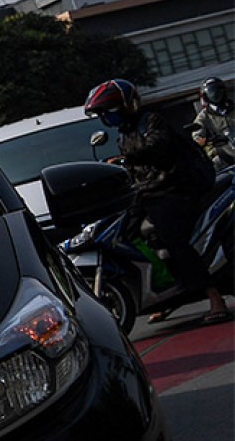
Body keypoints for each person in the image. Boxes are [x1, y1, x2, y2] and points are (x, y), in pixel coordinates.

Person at [84, 80, 232, 325]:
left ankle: (215, 298)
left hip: (176, 189)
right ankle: (165, 293)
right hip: (148, 193)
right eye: (101, 113)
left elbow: (157, 146)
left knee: (173, 239)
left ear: (127, 105)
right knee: (123, 234)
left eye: (108, 110)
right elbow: (134, 173)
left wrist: (125, 159)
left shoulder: (151, 121)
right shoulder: (123, 135)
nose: (105, 117)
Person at [191, 77, 235, 167]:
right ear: (205, 96)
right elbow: (197, 131)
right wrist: (200, 139)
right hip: (223, 154)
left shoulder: (233, 107)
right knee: (210, 171)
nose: (216, 95)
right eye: (212, 93)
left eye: (219, 91)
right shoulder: (204, 116)